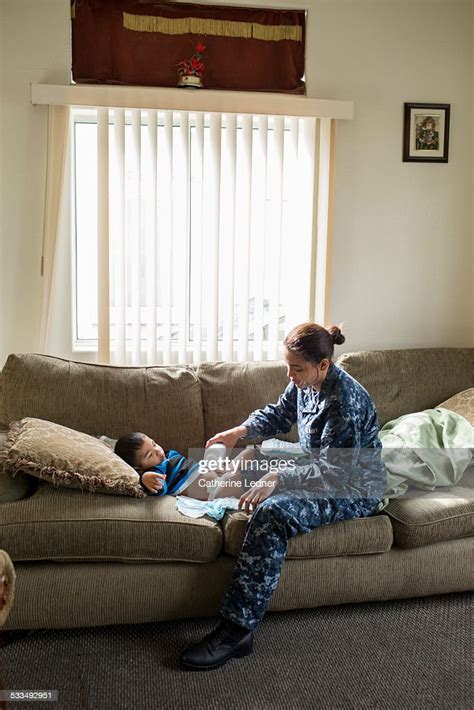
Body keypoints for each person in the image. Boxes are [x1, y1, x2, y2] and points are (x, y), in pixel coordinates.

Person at [181, 322, 387, 671]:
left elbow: (333, 472)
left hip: (353, 486)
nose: (290, 375)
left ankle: (236, 631)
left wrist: (277, 479)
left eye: (297, 368)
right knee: (254, 457)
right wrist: (238, 431)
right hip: (321, 467)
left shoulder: (346, 401)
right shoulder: (304, 383)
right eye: (287, 366)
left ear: (323, 365)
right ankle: (212, 490)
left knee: (272, 514)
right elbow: (279, 414)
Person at [114, 433, 265, 501]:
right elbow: (159, 488)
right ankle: (270, 478)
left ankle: (273, 460)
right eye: (150, 455)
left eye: (154, 444)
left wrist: (215, 467)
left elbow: (191, 467)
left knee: (249, 452)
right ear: (139, 467)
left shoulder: (168, 455)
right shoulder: (155, 471)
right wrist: (145, 479)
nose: (158, 451)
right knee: (241, 477)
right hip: (214, 490)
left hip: (215, 473)